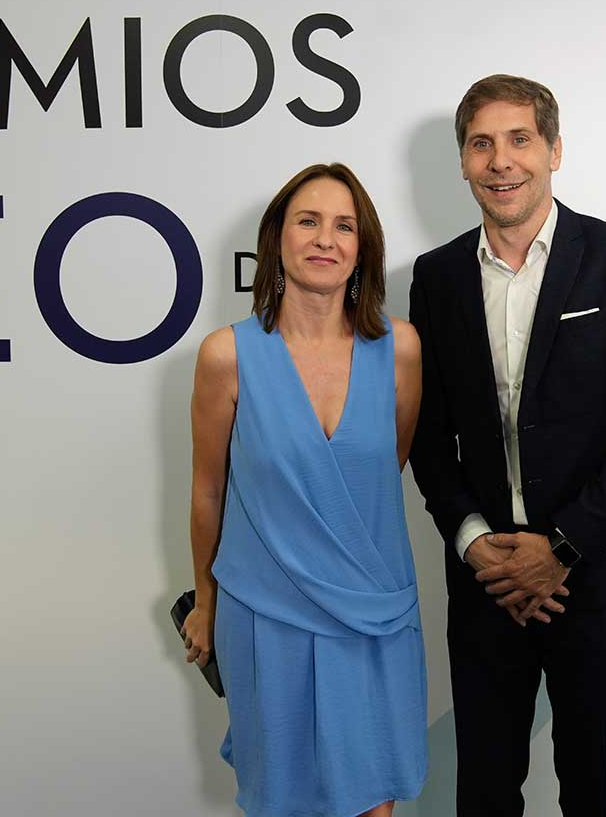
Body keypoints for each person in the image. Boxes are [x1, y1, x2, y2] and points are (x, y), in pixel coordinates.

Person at [407, 75, 606, 816]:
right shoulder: (436, 278)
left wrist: (559, 548)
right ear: (463, 162)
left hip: (598, 580)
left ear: (554, 151)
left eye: (520, 139)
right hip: (487, 583)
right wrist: (474, 542)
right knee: (484, 796)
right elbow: (428, 437)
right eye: (482, 144)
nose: (501, 161)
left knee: (595, 796)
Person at [182, 162, 428, 817]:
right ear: (278, 239)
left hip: (372, 612)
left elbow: (385, 467)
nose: (326, 238)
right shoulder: (226, 355)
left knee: (374, 805)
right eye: (309, 221)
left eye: (344, 226)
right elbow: (208, 491)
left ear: (363, 247)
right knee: (281, 800)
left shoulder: (401, 349)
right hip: (266, 613)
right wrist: (205, 599)